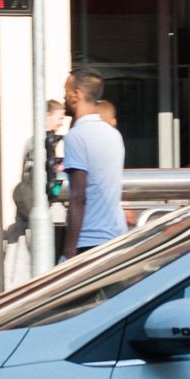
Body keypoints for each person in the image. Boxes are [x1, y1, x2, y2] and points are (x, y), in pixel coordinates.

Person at [61, 68, 126, 258]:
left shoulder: (76, 137)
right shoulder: (114, 135)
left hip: (88, 240)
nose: (64, 97)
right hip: (116, 234)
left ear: (76, 95)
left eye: (66, 91)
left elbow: (78, 196)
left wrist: (69, 247)